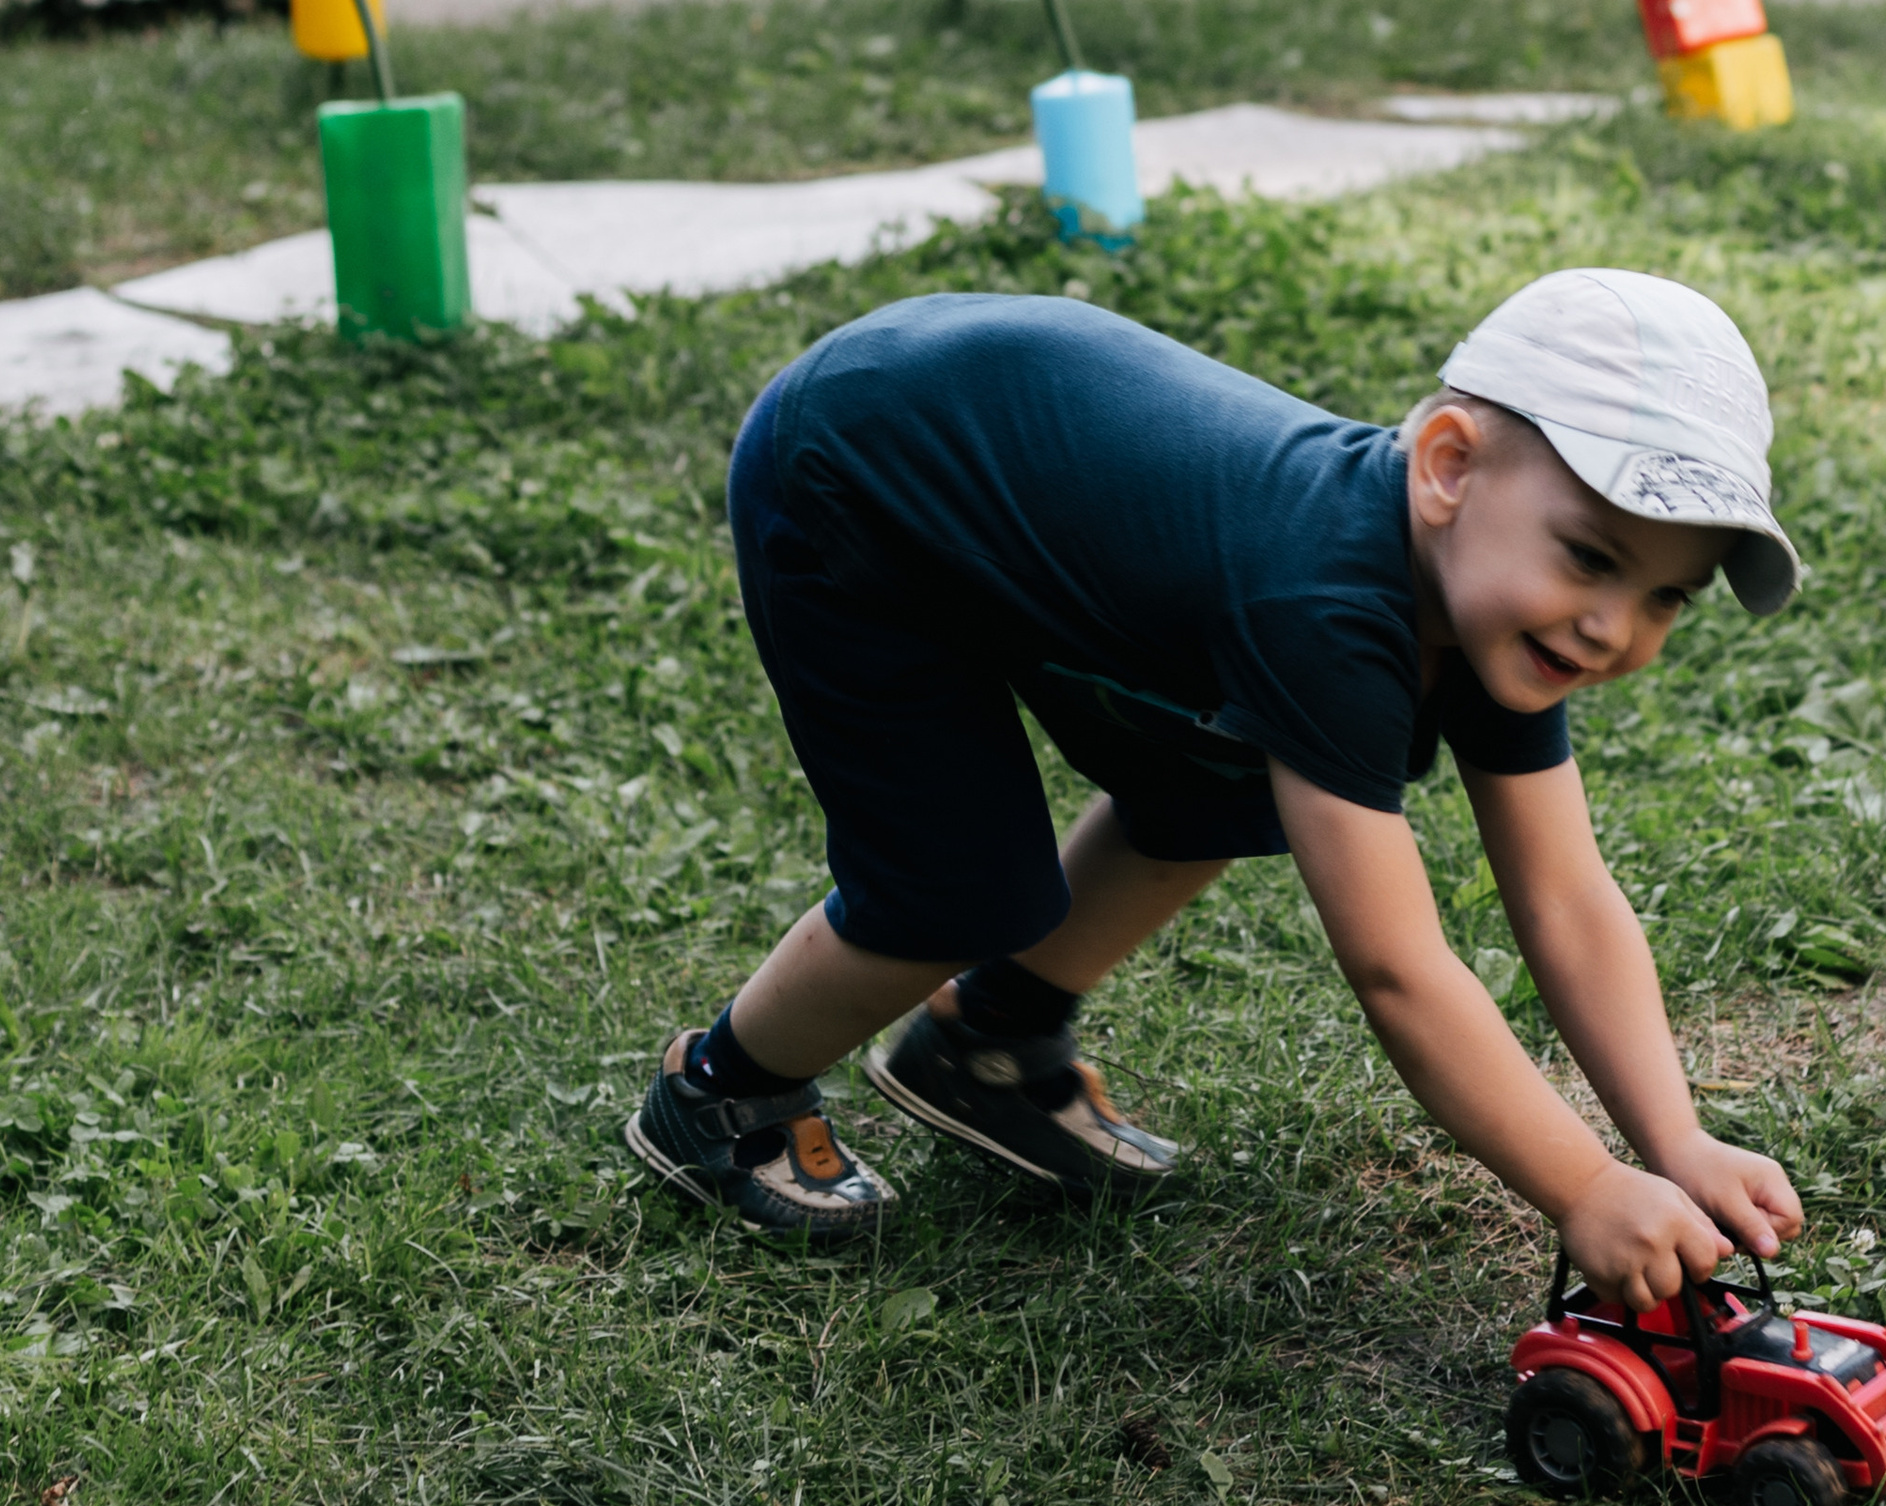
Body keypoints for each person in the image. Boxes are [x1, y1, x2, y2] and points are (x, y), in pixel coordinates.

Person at [622, 267, 1805, 1311]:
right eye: (1591, 557)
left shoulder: (1508, 608)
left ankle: (985, 1044)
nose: (1613, 626)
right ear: (1447, 468)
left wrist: (1673, 1139)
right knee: (954, 891)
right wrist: (1585, 1186)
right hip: (862, 466)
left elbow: (1564, 898)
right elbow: (1398, 967)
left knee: (1222, 786)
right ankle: (722, 1091)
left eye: (1664, 597)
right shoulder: (1325, 610)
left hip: (997, 458)